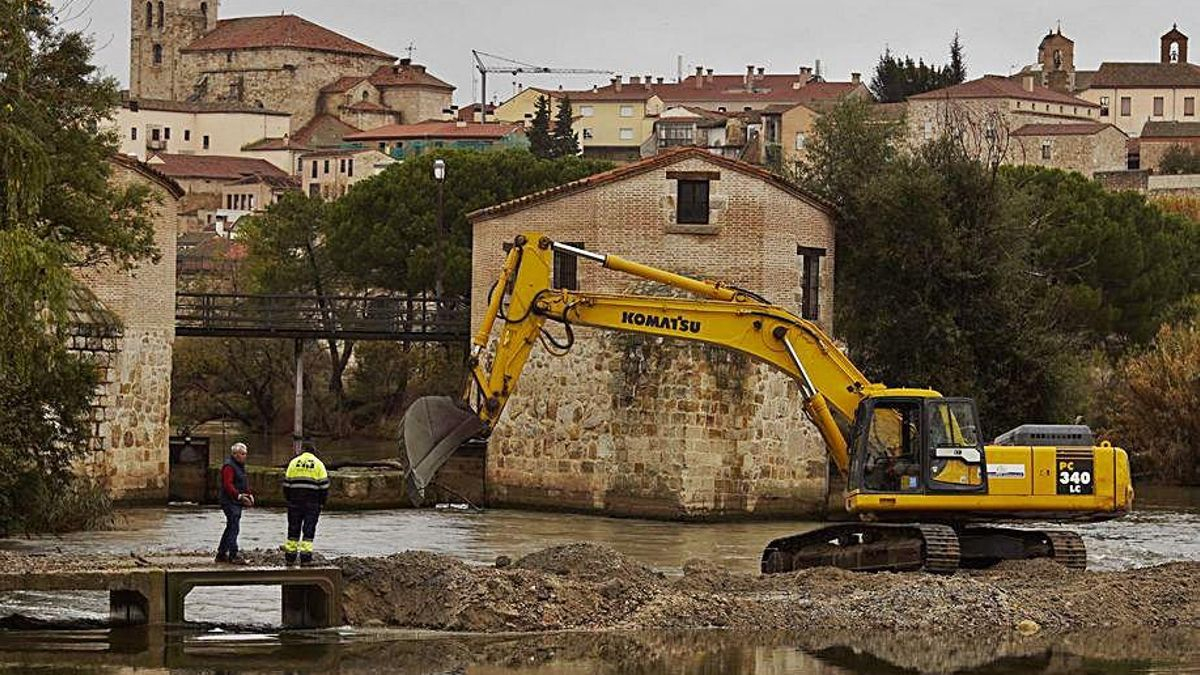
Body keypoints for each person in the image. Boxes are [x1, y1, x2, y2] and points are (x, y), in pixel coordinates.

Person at [282, 443, 330, 566]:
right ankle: (305, 557)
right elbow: (324, 487)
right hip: (312, 503)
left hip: (295, 502)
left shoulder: (294, 462)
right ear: (314, 452)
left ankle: (290, 557)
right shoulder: (319, 464)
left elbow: (286, 485)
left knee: (293, 528)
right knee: (308, 530)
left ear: (303, 451)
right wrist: (321, 503)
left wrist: (289, 500)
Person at [216, 442, 254, 564]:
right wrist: (239, 496)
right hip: (229, 501)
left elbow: (243, 482)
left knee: (231, 526)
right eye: (242, 454)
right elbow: (228, 484)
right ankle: (233, 554)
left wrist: (249, 494)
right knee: (234, 527)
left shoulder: (239, 466)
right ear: (235, 454)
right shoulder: (229, 466)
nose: (244, 456)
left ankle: (221, 553)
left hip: (235, 501)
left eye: (245, 454)